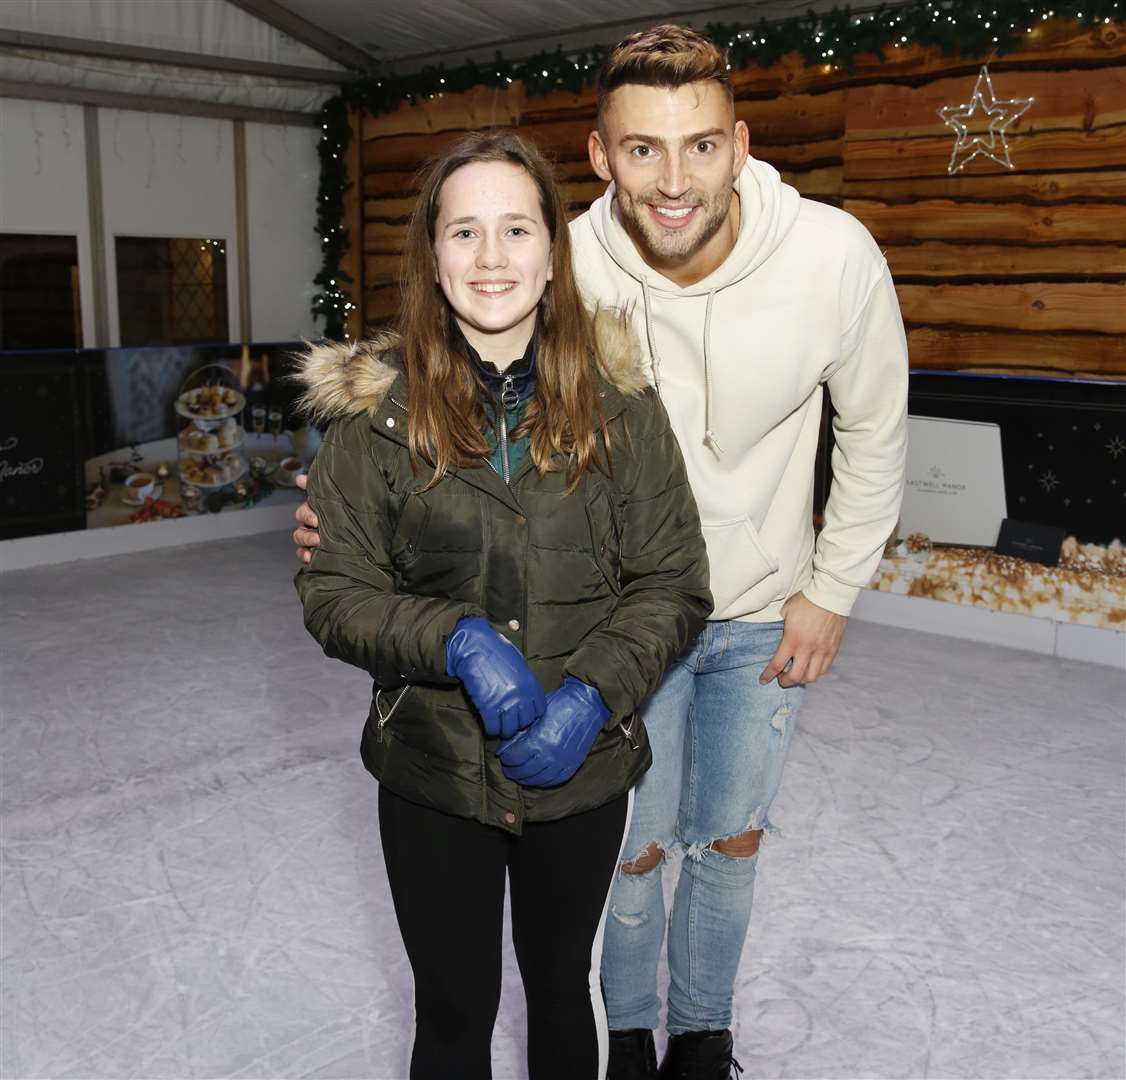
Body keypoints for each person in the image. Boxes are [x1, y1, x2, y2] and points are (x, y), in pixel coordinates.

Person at [295, 24, 909, 1079]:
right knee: (603, 881)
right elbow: (357, 548)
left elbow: (873, 433)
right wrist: (393, 566)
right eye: (642, 151)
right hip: (515, 683)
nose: (673, 179)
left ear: (740, 143)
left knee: (717, 849)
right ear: (599, 158)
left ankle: (701, 1037)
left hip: (734, 608)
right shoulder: (519, 296)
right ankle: (629, 1041)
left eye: (701, 146)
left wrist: (829, 589)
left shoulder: (815, 266)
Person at [291, 128, 712, 1080]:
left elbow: (674, 580)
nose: (492, 258)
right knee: (452, 1010)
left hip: (581, 768)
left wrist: (592, 695)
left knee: (564, 990)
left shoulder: (622, 409)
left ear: (552, 252)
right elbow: (333, 590)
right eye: (465, 232)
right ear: (432, 259)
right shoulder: (378, 422)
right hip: (435, 768)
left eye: (516, 230)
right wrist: (455, 638)